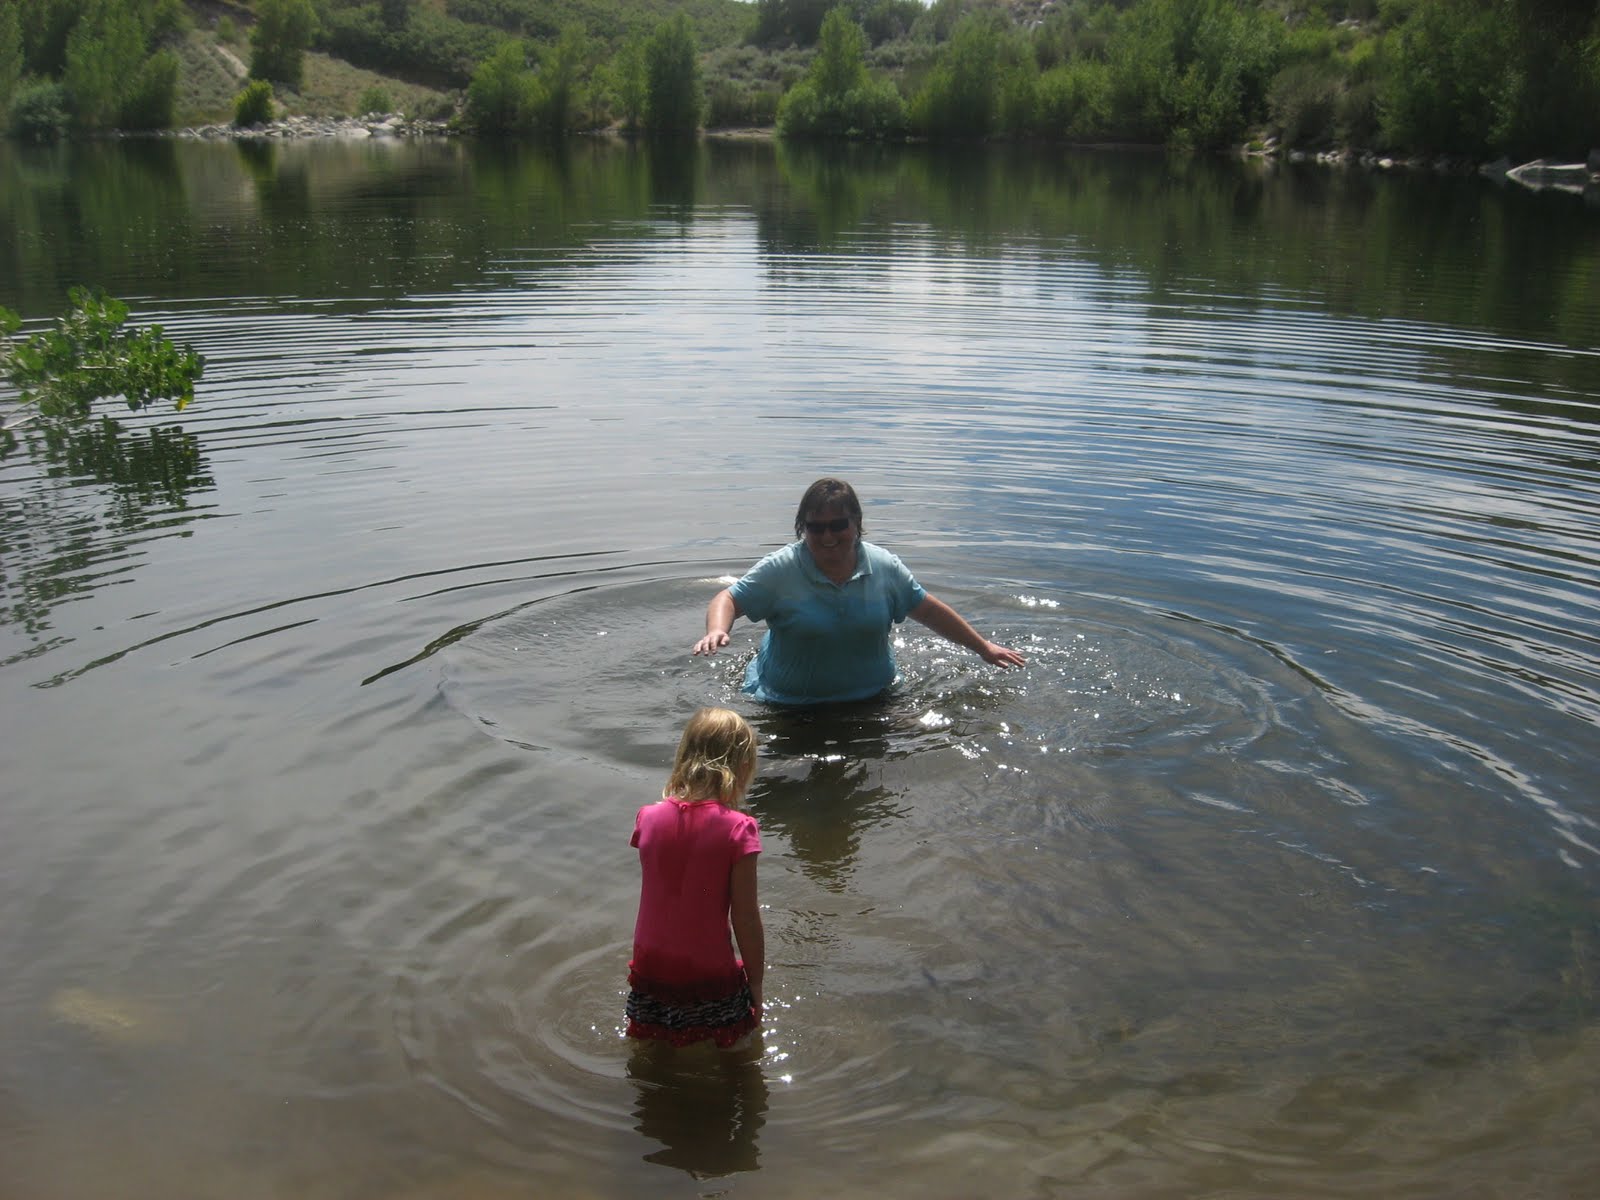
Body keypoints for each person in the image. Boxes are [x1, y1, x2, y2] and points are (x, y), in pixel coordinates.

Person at [692, 478, 1026, 706]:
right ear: (802, 528)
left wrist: (982, 647)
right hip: (787, 704)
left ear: (856, 523)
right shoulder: (782, 568)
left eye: (839, 525)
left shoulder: (883, 567)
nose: (827, 537)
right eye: (815, 527)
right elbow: (729, 598)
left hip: (874, 697)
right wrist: (718, 629)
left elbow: (927, 610)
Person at [625, 707, 765, 1049]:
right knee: (735, 1054)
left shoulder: (648, 818)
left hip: (651, 969)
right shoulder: (738, 829)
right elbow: (745, 916)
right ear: (741, 767)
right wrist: (756, 983)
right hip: (709, 973)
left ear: (684, 756)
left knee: (655, 1053)